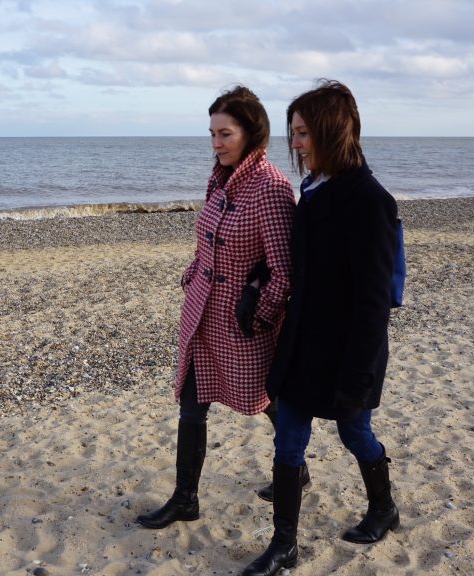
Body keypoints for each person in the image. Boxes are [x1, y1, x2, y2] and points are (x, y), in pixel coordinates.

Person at [242, 80, 401, 575]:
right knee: (288, 437)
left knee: (356, 434)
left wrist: (356, 376)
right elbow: (296, 261)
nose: (296, 144)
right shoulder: (312, 190)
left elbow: (374, 302)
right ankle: (284, 544)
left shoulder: (368, 200)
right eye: (292, 133)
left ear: (332, 131)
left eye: (304, 133)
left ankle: (383, 507)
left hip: (347, 351)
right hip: (302, 342)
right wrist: (257, 280)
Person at [136, 86, 297, 529]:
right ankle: (185, 498)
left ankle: (295, 466)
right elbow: (208, 233)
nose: (216, 143)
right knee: (192, 403)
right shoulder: (219, 176)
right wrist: (195, 268)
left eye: (225, 134)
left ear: (251, 133)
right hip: (201, 312)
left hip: (242, 321)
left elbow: (284, 272)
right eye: (212, 134)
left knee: (266, 398)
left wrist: (260, 318)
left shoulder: (271, 188)